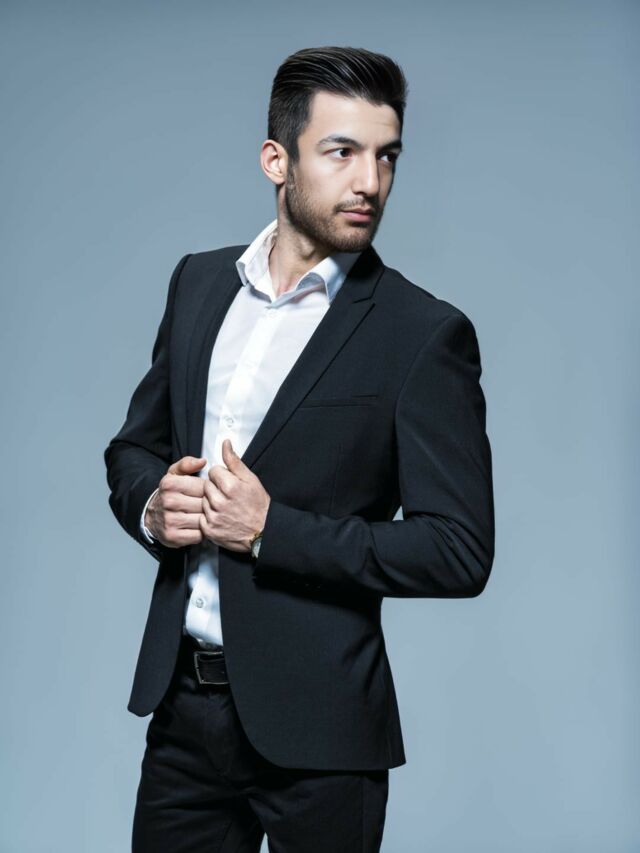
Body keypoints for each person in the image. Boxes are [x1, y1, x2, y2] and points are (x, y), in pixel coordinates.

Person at [104, 45, 495, 853]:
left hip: (325, 734)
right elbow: (134, 448)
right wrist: (153, 506)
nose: (370, 182)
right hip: (183, 713)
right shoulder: (198, 284)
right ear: (276, 160)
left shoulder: (422, 335)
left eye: (387, 156)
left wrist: (270, 530)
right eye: (342, 152)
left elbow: (458, 549)